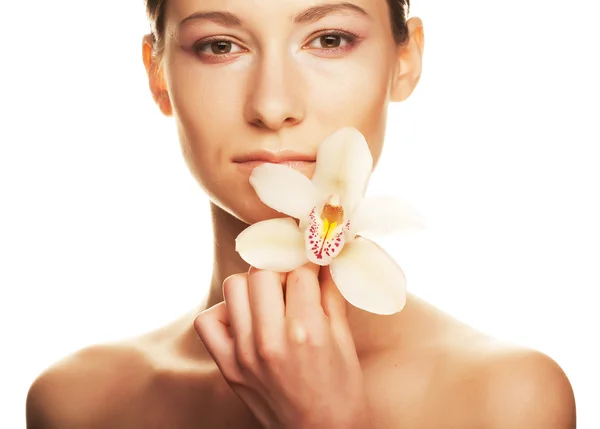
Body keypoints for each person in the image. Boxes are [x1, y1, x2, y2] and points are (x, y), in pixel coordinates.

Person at [25, 0, 576, 428]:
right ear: (157, 73)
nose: (272, 106)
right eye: (220, 46)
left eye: (329, 39)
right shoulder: (77, 404)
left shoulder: (508, 401)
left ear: (405, 61)